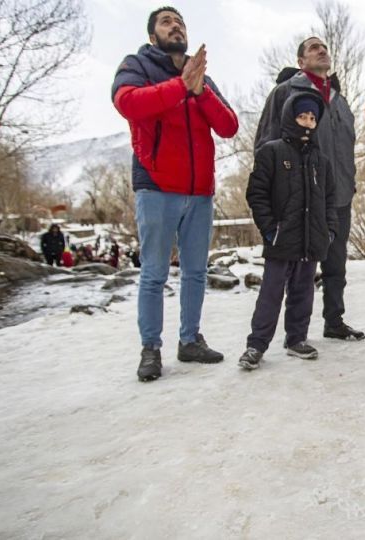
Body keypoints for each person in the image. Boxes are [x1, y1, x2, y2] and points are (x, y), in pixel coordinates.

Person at [112, 6, 239, 382]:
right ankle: (151, 349)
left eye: (180, 22)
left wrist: (199, 91)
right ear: (153, 35)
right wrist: (179, 86)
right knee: (154, 273)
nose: (175, 26)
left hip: (199, 192)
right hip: (156, 188)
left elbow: (229, 126)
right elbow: (127, 103)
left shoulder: (202, 78)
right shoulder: (137, 65)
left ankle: (190, 340)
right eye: (167, 22)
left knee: (196, 272)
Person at [255, 36, 364, 342]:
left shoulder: (340, 100)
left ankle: (335, 321)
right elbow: (265, 144)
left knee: (336, 263)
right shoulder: (285, 92)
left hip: (338, 195)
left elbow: (346, 148)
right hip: (298, 196)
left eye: (324, 47)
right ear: (301, 62)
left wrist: (350, 182)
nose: (321, 50)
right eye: (313, 48)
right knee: (290, 271)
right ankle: (278, 337)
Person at [239, 94, 337, 370]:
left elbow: (330, 199)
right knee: (271, 292)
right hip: (282, 239)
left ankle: (296, 339)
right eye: (302, 116)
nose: (308, 123)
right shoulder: (271, 152)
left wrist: (328, 230)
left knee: (303, 290)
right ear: (290, 118)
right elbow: (256, 194)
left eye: (313, 118)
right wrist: (270, 229)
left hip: (311, 239)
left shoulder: (322, 160)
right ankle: (256, 345)